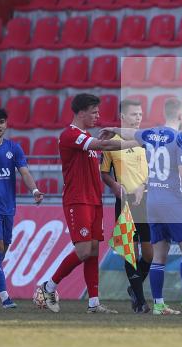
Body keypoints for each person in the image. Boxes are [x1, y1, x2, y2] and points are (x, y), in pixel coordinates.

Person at [34, 94, 139, 315]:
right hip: (77, 200)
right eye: (94, 112)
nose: (97, 116)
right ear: (80, 113)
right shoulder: (70, 135)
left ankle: (93, 303)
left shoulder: (85, 136)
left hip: (94, 200)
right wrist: (140, 141)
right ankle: (48, 287)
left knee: (92, 251)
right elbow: (105, 144)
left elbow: (104, 148)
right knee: (82, 250)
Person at [108, 98, 182, 316]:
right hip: (174, 201)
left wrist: (112, 129)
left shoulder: (150, 134)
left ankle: (158, 304)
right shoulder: (180, 138)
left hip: (152, 203)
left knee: (158, 254)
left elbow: (128, 134)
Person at [0, 108, 44, 311]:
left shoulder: (14, 148)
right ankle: (5, 298)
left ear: (6, 124)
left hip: (8, 208)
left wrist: (35, 190)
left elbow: (24, 172)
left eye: (2, 122)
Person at [100, 99, 154, 314]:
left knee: (149, 254)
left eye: (140, 114)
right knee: (130, 252)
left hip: (146, 201)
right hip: (124, 202)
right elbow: (104, 172)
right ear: (122, 117)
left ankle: (134, 289)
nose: (138, 118)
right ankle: (141, 301)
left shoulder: (144, 141)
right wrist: (113, 185)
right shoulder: (111, 143)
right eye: (134, 114)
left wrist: (143, 185)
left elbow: (152, 171)